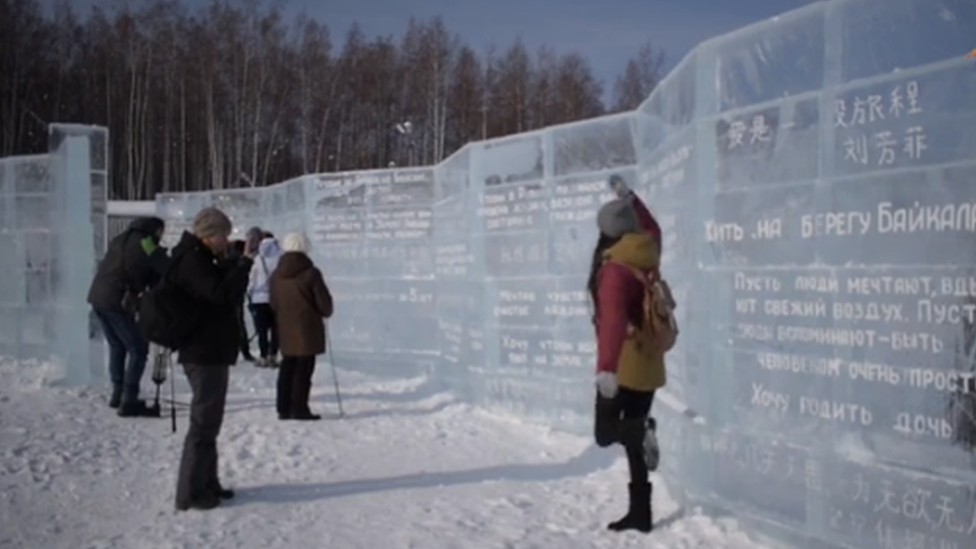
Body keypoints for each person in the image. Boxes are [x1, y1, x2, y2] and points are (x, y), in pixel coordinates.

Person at [589, 174, 665, 534]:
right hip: (651, 359)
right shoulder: (648, 249)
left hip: (623, 363)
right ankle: (641, 513)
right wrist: (629, 197)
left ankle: (640, 430)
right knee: (632, 441)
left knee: (606, 433)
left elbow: (613, 323)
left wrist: (606, 369)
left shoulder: (614, 269)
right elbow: (653, 225)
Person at [169, 207, 253, 511]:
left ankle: (207, 482)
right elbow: (219, 295)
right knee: (203, 423)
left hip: (210, 349)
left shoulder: (200, 258)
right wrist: (242, 264)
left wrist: (232, 263)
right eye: (223, 235)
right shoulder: (192, 260)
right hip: (203, 351)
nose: (225, 240)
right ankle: (190, 492)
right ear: (209, 234)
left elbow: (220, 292)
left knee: (210, 422)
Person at [87, 216, 169, 416]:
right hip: (116, 299)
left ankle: (118, 393)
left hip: (98, 297)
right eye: (160, 232)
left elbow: (135, 264)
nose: (161, 236)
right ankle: (129, 399)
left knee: (118, 345)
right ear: (153, 230)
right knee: (138, 348)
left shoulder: (120, 239)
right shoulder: (145, 241)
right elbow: (165, 267)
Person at [269, 232, 334, 421]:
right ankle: (299, 408)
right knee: (304, 370)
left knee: (287, 367)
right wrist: (325, 311)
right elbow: (324, 304)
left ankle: (283, 407)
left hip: (285, 328)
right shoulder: (311, 273)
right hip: (308, 329)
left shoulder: (276, 275)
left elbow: (273, 303)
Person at [246, 232, 282, 367]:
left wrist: (250, 294)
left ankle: (263, 356)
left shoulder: (259, 259)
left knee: (262, 331)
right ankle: (273, 355)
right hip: (276, 299)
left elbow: (252, 280)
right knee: (276, 329)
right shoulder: (281, 258)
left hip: (259, 299)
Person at [229, 240, 255, 363]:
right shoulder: (241, 262)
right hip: (237, 297)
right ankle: (245, 351)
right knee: (239, 324)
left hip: (228, 297)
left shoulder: (228, 259)